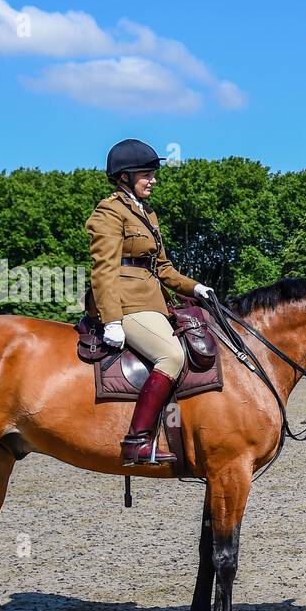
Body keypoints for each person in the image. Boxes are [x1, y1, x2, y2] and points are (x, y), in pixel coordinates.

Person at [86, 138, 214, 465]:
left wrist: (196, 288)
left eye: (153, 173)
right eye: (146, 173)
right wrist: (111, 319)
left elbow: (164, 268)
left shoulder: (148, 214)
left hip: (153, 302)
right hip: (126, 303)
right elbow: (103, 270)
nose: (153, 180)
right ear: (125, 176)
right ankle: (137, 441)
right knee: (171, 355)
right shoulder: (109, 212)